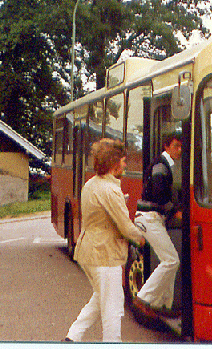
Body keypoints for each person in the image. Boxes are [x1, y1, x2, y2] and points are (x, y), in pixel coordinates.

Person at [63, 138, 145, 342]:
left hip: (89, 252)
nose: (126, 165)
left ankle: (72, 337)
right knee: (113, 308)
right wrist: (141, 238)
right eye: (124, 161)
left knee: (101, 299)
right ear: (115, 164)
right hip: (105, 256)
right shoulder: (110, 190)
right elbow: (125, 226)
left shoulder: (91, 184)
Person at [133, 132, 182, 318]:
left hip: (154, 218)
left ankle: (164, 305)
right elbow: (159, 193)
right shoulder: (162, 166)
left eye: (181, 146)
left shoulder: (166, 164)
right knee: (171, 260)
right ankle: (143, 299)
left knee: (168, 260)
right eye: (176, 146)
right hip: (149, 218)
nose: (179, 150)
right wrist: (175, 211)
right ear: (166, 146)